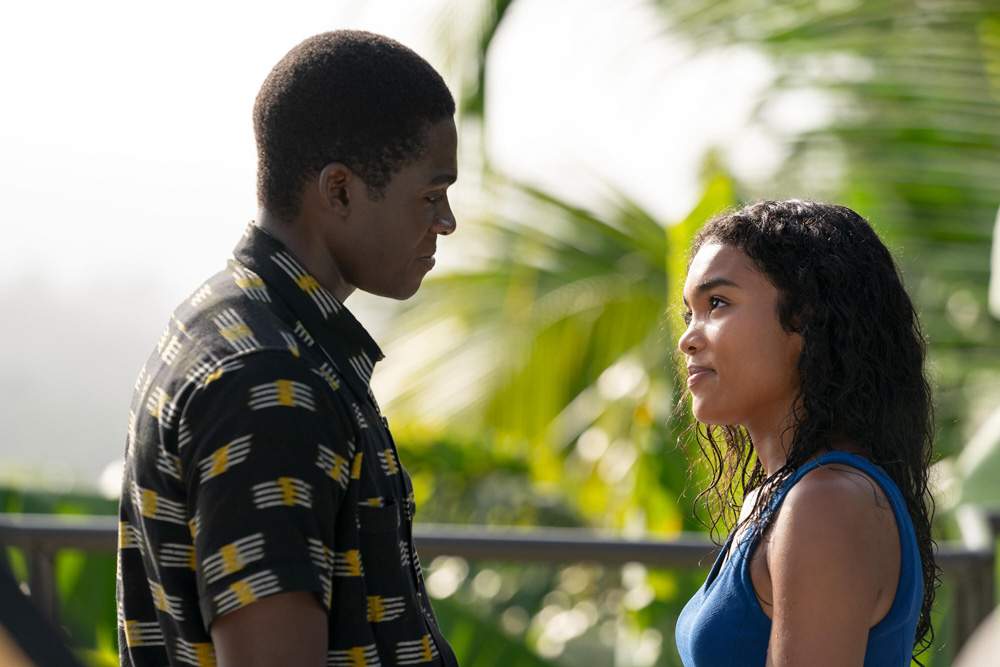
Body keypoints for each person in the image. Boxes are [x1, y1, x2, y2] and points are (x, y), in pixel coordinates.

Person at [116, 31, 460, 667]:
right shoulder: (267, 379)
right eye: (431, 196)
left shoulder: (234, 324)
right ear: (339, 191)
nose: (447, 221)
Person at [673, 200, 937, 666]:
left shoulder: (826, 502)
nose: (688, 339)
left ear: (807, 318)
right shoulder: (783, 495)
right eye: (688, 313)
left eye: (717, 304)